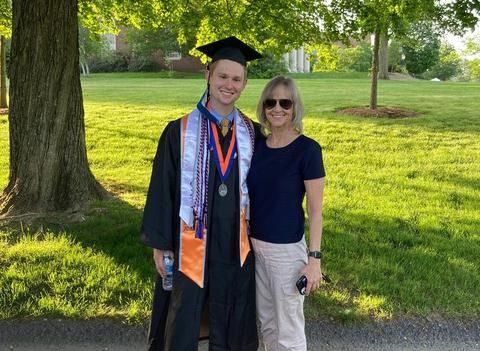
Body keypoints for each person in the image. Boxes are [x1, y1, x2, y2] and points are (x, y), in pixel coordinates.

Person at [140, 36, 262, 351]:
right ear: (207, 75)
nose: (229, 84)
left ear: (245, 83)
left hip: (235, 244)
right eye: (223, 76)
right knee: (184, 316)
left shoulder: (253, 133)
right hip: (189, 242)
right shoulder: (178, 132)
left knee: (232, 315)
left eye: (237, 79)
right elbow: (162, 189)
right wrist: (161, 244)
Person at [247, 76, 326, 351]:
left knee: (288, 332)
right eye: (271, 102)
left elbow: (316, 213)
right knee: (268, 324)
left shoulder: (308, 150)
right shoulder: (257, 146)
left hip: (286, 252)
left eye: (285, 102)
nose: (277, 108)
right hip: (254, 247)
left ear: (294, 107)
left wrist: (314, 259)